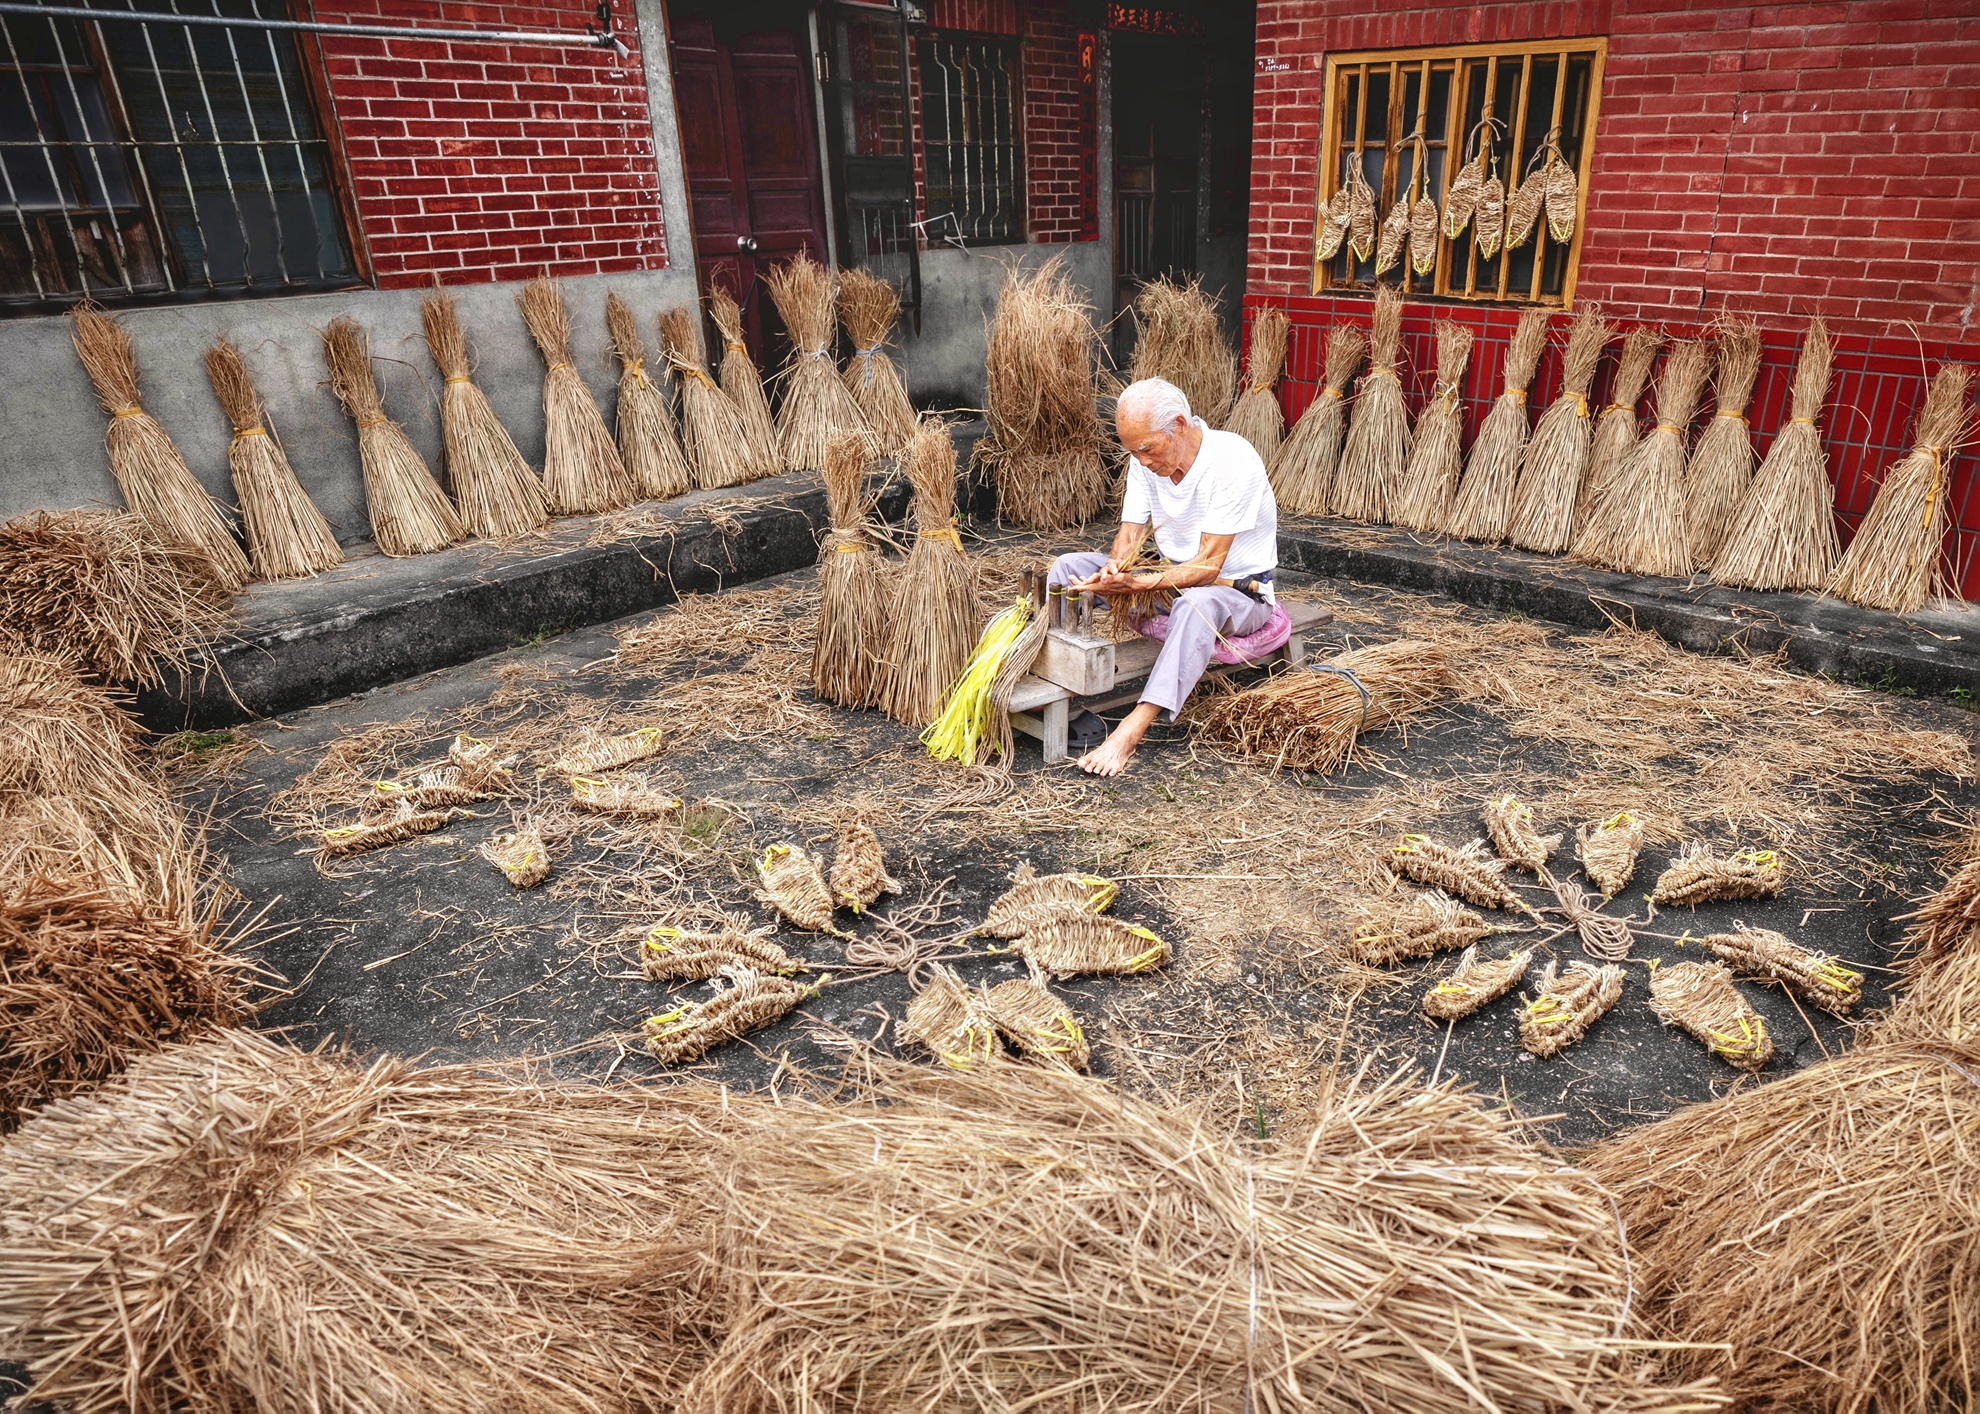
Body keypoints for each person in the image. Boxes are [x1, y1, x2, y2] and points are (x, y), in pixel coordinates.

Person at [1047, 376, 1279, 776]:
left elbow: (1208, 567)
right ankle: (1051, 678)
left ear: (1180, 425)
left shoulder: (1232, 460)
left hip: (1239, 594)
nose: (1141, 461)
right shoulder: (1146, 461)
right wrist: (1115, 567)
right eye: (1132, 451)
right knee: (1069, 568)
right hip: (1170, 582)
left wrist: (1137, 584)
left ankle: (1129, 730)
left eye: (1147, 449)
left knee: (1197, 605)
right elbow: (1130, 535)